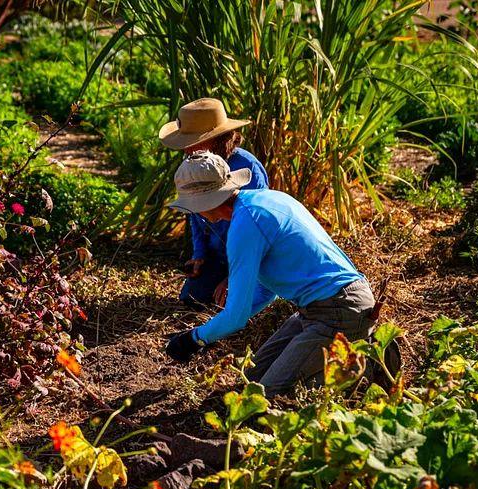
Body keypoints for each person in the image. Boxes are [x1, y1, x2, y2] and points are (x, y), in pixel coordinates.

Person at [163, 152, 377, 396]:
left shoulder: (246, 226)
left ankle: (367, 368)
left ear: (205, 204)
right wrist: (209, 331)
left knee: (267, 397)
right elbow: (267, 292)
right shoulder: (265, 199)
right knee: (252, 381)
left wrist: (194, 339)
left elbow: (236, 317)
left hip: (339, 311)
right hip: (318, 309)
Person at [159, 98, 275, 309]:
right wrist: (199, 255)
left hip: (250, 257)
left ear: (215, 139)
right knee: (192, 299)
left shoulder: (247, 167)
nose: (187, 150)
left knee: (234, 302)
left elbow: (257, 232)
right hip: (218, 255)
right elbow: (194, 214)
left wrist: (235, 277)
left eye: (192, 142)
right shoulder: (194, 164)